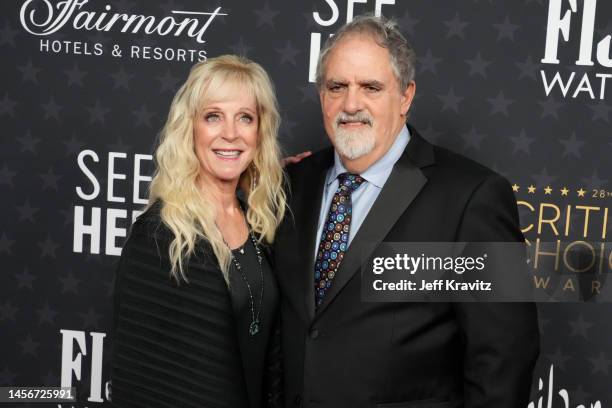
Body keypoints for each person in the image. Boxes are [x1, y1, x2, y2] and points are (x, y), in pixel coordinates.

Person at [274, 15, 540, 408]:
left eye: (371, 87)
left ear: (405, 96)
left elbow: (505, 358)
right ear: (321, 96)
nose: (351, 104)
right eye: (337, 87)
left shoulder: (472, 197)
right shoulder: (292, 185)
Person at [111, 55, 285, 408]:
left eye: (245, 118)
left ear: (259, 132)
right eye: (213, 116)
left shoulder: (257, 224)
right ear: (190, 128)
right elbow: (136, 375)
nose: (231, 133)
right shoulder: (160, 235)